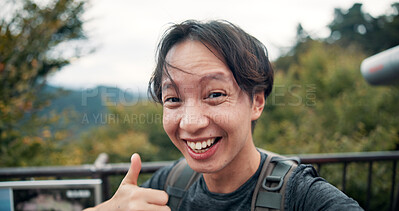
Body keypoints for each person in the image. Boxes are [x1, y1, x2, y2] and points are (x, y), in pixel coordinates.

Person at [86, 20, 363, 211]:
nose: (191, 122)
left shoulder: (301, 197)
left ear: (256, 102)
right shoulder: (171, 183)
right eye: (173, 99)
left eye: (215, 94)